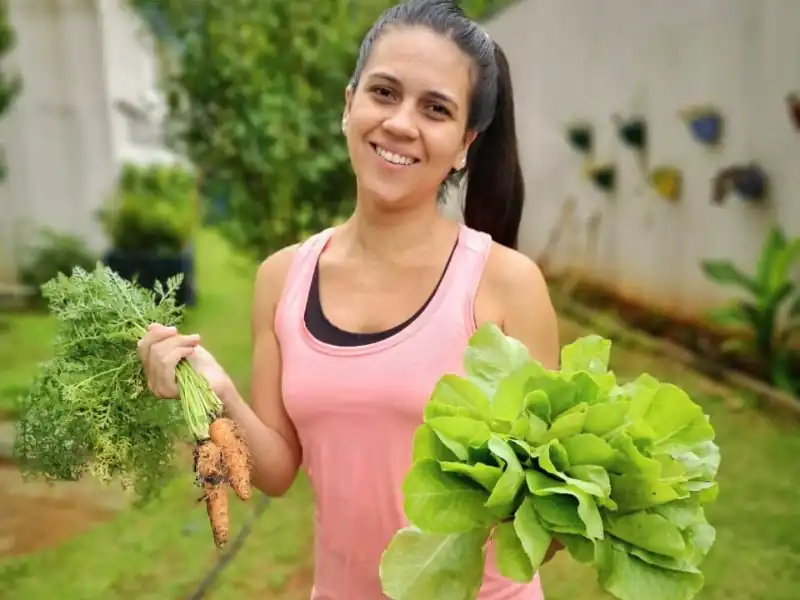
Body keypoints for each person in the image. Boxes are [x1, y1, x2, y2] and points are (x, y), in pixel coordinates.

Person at [137, 0, 561, 598]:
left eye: (435, 108)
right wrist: (211, 387)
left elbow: (548, 503)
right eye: (384, 92)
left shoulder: (506, 284)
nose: (400, 124)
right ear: (348, 105)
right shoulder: (282, 279)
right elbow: (279, 470)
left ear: (465, 143)